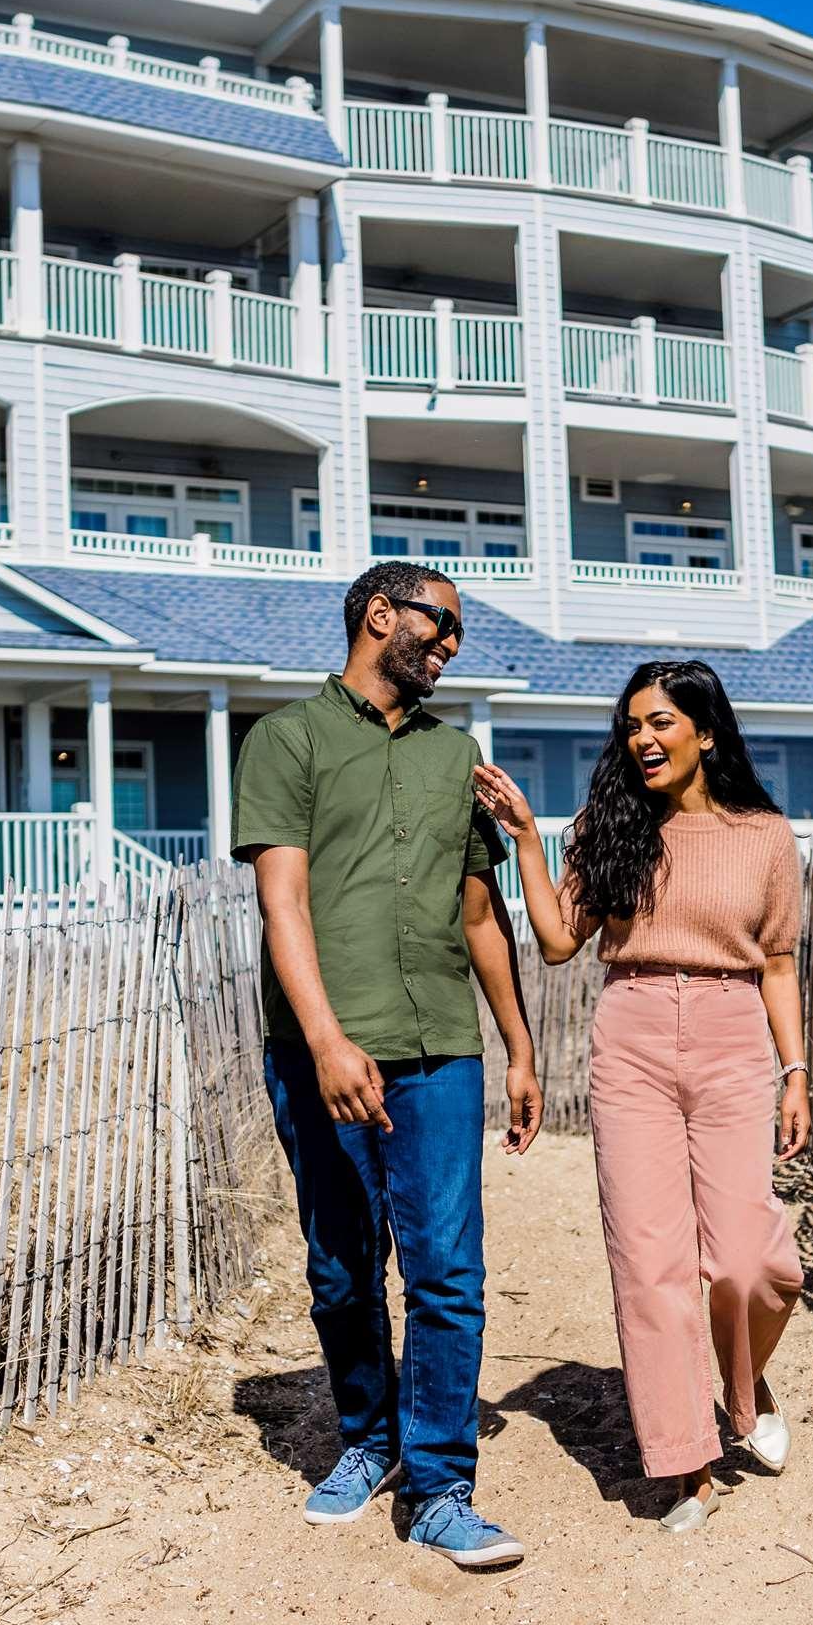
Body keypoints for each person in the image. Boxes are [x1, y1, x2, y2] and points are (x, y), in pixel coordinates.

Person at [231, 561, 544, 1570]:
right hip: (322, 1049)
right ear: (380, 615)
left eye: (457, 632)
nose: (452, 645)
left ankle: (443, 1482)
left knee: (449, 1270)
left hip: (440, 1050)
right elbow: (282, 901)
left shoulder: (459, 756)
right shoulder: (286, 740)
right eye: (441, 624)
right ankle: (369, 1440)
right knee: (342, 1264)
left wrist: (520, 1042)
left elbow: (477, 911)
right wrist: (325, 1038)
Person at [473, 659, 805, 1536]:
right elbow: (554, 942)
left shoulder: (766, 836)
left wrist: (795, 1070)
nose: (643, 739)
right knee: (651, 1266)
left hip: (735, 1035)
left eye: (660, 722)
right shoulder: (611, 825)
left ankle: (743, 1386)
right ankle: (688, 1464)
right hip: (632, 1034)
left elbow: (777, 960)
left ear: (704, 730)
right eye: (632, 726)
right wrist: (530, 845)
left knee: (754, 1261)